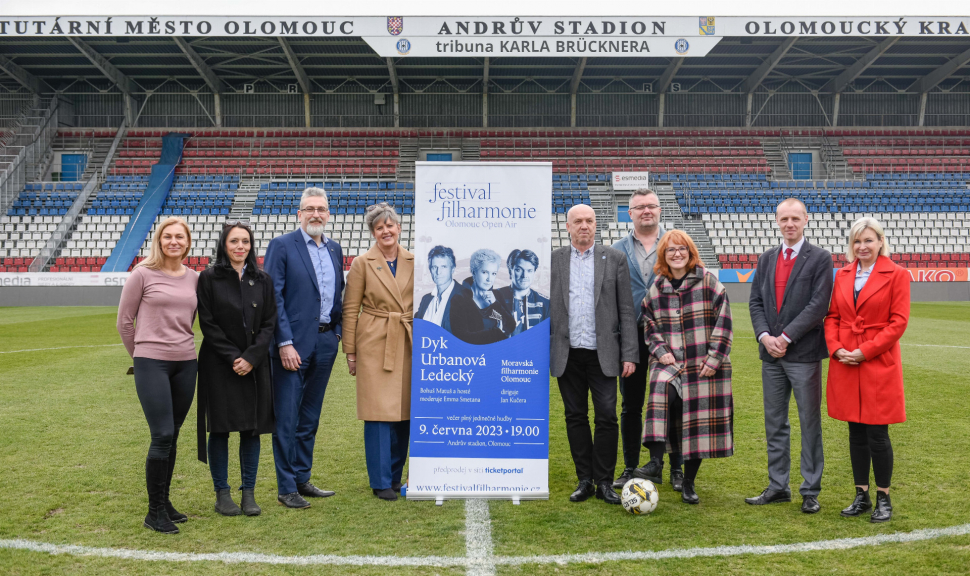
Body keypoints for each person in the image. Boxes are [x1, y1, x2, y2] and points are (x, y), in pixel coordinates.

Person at [745, 198, 834, 515]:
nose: (790, 224)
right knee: (775, 424)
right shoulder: (767, 259)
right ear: (777, 221)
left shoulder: (821, 258)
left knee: (810, 423)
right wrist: (764, 336)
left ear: (806, 220)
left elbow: (818, 305)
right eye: (784, 219)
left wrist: (785, 337)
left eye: (795, 218)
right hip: (771, 357)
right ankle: (778, 487)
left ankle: (810, 490)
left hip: (804, 355)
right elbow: (755, 301)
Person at [550, 203, 638, 505]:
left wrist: (629, 353)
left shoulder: (614, 259)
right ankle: (584, 480)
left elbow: (626, 309)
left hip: (605, 353)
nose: (584, 226)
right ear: (568, 226)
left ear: (595, 225)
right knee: (575, 416)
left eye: (589, 220)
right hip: (567, 352)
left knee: (606, 417)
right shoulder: (554, 260)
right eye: (578, 221)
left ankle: (604, 482)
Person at [638, 230, 734, 504]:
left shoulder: (709, 283)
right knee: (660, 391)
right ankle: (656, 462)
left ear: (690, 253)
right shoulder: (656, 287)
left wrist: (713, 360)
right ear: (664, 256)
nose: (677, 254)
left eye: (682, 249)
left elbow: (724, 323)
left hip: (703, 364)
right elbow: (649, 324)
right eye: (671, 250)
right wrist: (661, 351)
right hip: (668, 361)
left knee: (696, 421)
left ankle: (689, 482)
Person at [116, 216, 198, 534]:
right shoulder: (142, 274)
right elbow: (125, 321)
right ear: (159, 241)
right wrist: (140, 356)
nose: (174, 241)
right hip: (151, 362)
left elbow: (192, 319)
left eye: (179, 236)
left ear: (188, 242)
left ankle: (164, 503)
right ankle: (153, 513)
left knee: (174, 433)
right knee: (162, 434)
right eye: (168, 236)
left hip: (186, 363)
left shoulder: (194, 277)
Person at [263, 187, 344, 509]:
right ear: (299, 214)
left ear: (328, 214)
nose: (315, 214)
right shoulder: (282, 246)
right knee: (287, 417)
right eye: (309, 209)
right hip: (291, 346)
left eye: (321, 209)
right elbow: (274, 298)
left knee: (309, 417)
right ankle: (286, 488)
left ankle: (301, 477)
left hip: (325, 343)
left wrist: (336, 333)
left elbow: (337, 296)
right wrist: (284, 342)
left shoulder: (335, 249)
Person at [825, 217, 910, 523]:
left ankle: (883, 497)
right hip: (846, 360)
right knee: (856, 433)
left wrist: (866, 351)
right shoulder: (843, 274)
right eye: (857, 241)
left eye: (868, 240)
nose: (862, 246)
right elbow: (833, 317)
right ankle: (860, 494)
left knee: (877, 433)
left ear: (880, 242)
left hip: (877, 361)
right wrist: (837, 349)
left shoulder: (897, 274)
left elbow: (898, 322)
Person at [196, 221, 277, 517]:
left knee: (250, 429)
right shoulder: (208, 279)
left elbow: (270, 323)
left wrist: (252, 358)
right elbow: (208, 324)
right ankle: (222, 494)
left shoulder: (263, 279)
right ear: (223, 245)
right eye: (234, 241)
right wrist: (234, 357)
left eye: (245, 241)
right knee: (219, 429)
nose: (240, 247)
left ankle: (249, 493)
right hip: (219, 365)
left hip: (254, 366)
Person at [610, 189, 684, 491]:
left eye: (651, 206)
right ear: (630, 213)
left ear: (660, 210)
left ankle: (676, 468)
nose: (646, 211)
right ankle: (630, 467)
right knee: (631, 405)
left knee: (675, 403)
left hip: (671, 340)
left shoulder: (676, 245)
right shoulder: (616, 250)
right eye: (639, 207)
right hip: (630, 340)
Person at [342, 203, 415, 501]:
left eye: (390, 225)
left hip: (409, 340)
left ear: (399, 228)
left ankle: (396, 477)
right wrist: (350, 351)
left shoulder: (415, 259)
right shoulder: (362, 263)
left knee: (405, 413)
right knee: (378, 413)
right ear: (373, 233)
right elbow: (350, 309)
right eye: (379, 227)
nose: (386, 231)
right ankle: (380, 480)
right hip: (374, 340)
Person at [449, 249, 515, 345]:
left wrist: (495, 304)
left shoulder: (496, 295)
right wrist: (496, 332)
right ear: (474, 272)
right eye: (484, 272)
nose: (489, 279)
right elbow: (462, 338)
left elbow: (511, 326)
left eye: (493, 273)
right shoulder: (459, 299)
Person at [495, 249, 551, 335]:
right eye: (519, 270)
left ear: (534, 273)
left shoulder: (545, 304)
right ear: (510, 271)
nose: (524, 276)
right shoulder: (493, 298)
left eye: (529, 271)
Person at [415, 245, 468, 333]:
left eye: (443, 267)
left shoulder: (466, 297)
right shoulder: (426, 300)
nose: (438, 272)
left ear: (453, 269)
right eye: (434, 267)